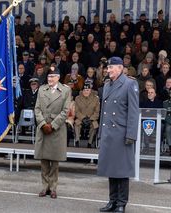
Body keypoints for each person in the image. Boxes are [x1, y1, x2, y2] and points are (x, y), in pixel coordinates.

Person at [97, 57, 139, 213]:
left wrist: (131, 135)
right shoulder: (108, 85)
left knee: (121, 171)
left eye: (111, 68)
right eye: (108, 68)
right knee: (111, 169)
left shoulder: (130, 84)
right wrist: (101, 133)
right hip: (109, 133)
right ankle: (112, 201)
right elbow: (104, 112)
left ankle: (121, 203)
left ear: (120, 68)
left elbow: (134, 113)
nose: (108, 71)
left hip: (122, 134)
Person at [34, 66, 71, 199]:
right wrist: (43, 124)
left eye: (53, 76)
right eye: (49, 76)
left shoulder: (66, 90)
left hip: (56, 129)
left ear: (58, 77)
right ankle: (45, 186)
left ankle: (53, 187)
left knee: (55, 162)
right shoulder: (42, 89)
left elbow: (66, 111)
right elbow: (37, 109)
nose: (50, 79)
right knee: (44, 160)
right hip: (44, 128)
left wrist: (53, 125)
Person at [74, 83, 100, 148]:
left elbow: (97, 112)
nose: (86, 92)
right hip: (81, 118)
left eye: (87, 90)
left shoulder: (96, 99)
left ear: (90, 90)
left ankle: (90, 142)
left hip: (91, 118)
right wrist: (83, 118)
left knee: (95, 125)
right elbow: (76, 111)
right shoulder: (77, 98)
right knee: (76, 124)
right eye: (84, 90)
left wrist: (90, 119)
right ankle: (77, 141)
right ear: (82, 91)